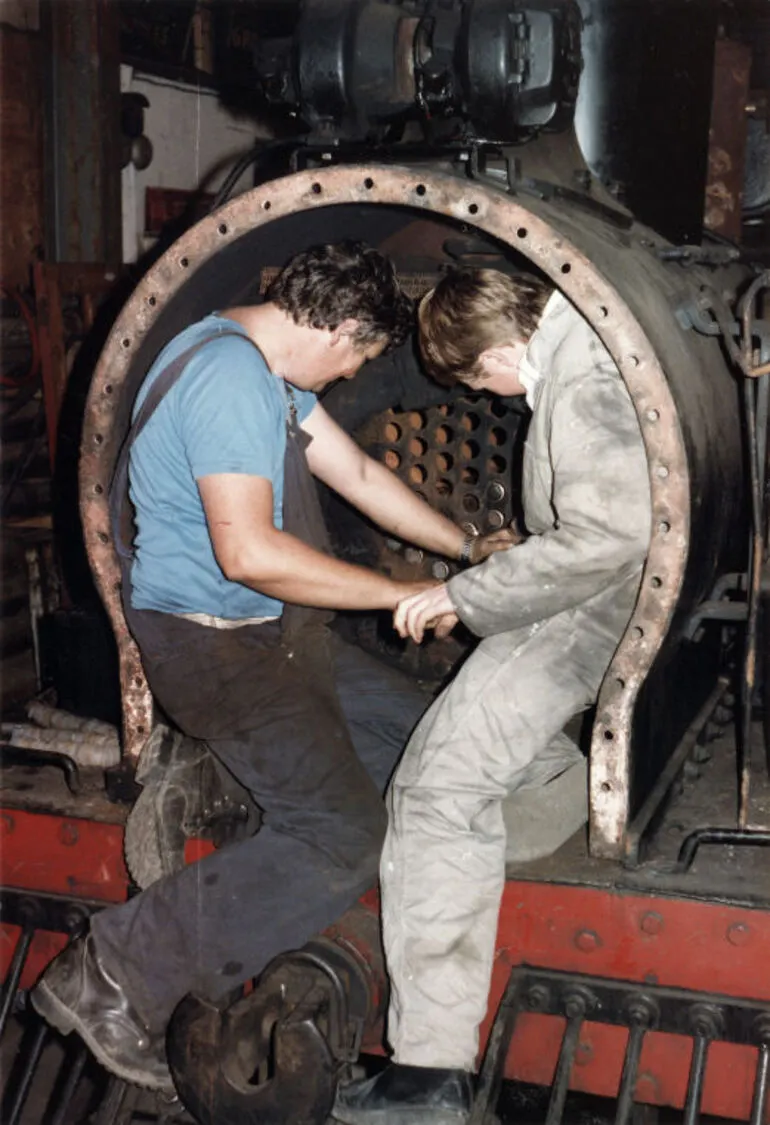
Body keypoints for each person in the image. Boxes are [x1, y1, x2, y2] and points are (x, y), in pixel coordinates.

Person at [31, 243, 513, 1094]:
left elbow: (359, 471)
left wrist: (468, 550)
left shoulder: (262, 369)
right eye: (362, 357)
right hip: (218, 651)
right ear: (341, 329)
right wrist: (401, 595)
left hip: (274, 635)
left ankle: (263, 856)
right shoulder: (226, 380)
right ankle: (114, 973)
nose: (352, 374)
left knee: (429, 736)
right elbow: (250, 552)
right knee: (346, 836)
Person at [333, 268, 651, 1124]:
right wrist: (522, 548)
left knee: (434, 791)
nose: (488, 394)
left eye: (478, 378)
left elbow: (612, 535)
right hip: (580, 605)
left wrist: (464, 596)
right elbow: (598, 516)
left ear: (505, 348)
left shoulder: (578, 378)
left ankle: (429, 1075)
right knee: (485, 762)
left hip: (578, 620)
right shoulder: (585, 347)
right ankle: (543, 805)